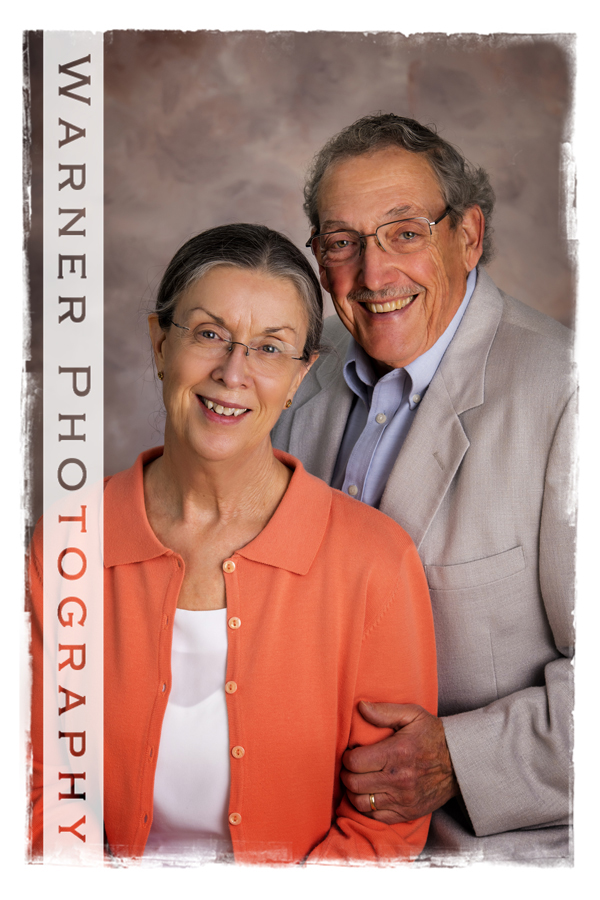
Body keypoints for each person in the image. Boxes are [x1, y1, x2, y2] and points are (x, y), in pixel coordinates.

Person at [29, 223, 437, 866]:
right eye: (210, 334)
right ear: (161, 343)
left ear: (302, 376)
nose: (233, 372)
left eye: (271, 349)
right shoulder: (66, 543)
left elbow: (385, 823)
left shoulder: (374, 563)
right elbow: (31, 783)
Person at [272, 114, 576, 864]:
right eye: (342, 243)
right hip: (315, 837)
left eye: (405, 233)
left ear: (468, 237)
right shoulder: (296, 390)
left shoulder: (568, 395)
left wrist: (459, 760)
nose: (373, 275)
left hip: (494, 851)